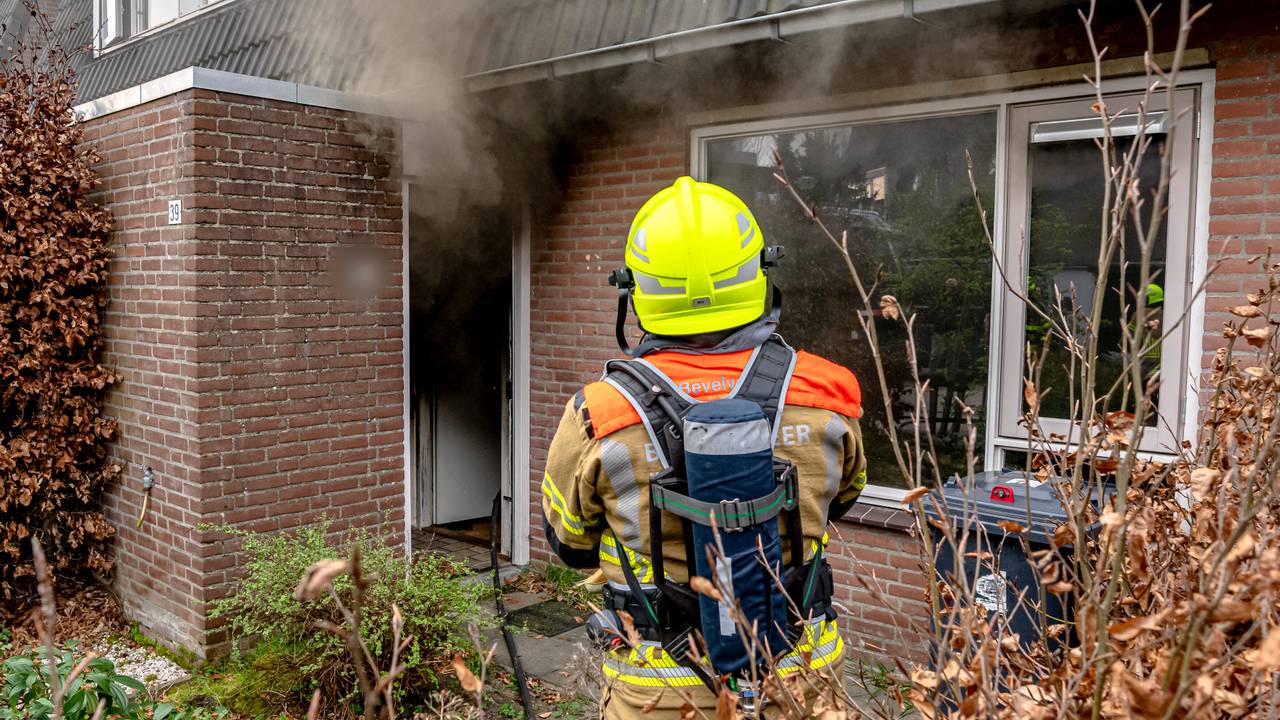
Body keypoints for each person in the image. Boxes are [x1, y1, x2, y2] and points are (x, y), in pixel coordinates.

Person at [541, 176, 867, 718]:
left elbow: (570, 543)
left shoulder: (599, 412)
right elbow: (844, 499)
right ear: (760, 276)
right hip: (802, 677)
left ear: (633, 293)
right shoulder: (829, 392)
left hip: (659, 691)